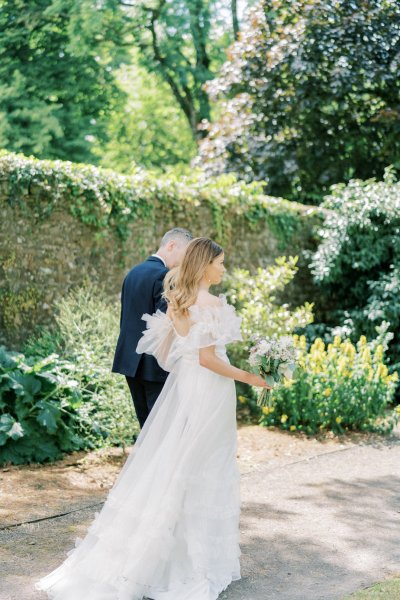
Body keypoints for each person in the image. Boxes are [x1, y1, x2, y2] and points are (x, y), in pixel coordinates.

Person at [35, 237, 269, 600]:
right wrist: (251, 377)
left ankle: (165, 555)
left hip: (189, 387)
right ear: (205, 265)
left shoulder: (181, 302)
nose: (224, 268)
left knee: (178, 463)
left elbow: (164, 354)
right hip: (209, 390)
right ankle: (188, 565)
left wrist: (187, 368)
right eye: (220, 262)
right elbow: (209, 359)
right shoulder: (211, 304)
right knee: (203, 466)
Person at [112, 227, 193, 428]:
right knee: (162, 429)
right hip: (155, 364)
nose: (184, 262)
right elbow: (165, 325)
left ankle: (146, 460)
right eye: (185, 254)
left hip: (129, 362)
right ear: (171, 245)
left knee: (146, 426)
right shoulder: (165, 276)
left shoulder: (133, 272)